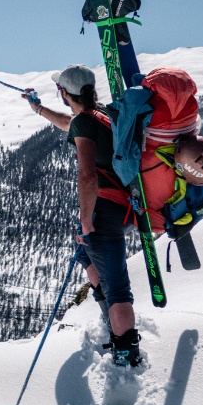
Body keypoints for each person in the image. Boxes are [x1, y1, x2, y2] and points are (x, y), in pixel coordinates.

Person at [23, 64, 141, 367]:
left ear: (64, 92)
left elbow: (88, 176)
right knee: (86, 257)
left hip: (105, 212)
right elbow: (69, 122)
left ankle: (126, 354)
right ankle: (110, 321)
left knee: (117, 287)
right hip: (122, 207)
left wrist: (87, 220)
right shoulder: (100, 114)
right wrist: (38, 109)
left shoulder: (84, 124)